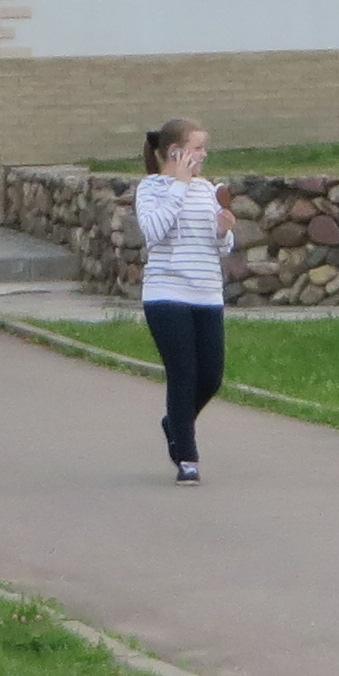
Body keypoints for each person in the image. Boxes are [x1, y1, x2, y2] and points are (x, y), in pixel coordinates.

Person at [131, 117, 233, 486]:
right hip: (167, 293)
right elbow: (154, 232)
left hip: (207, 293)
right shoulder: (151, 188)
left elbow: (220, 246)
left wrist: (223, 230)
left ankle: (174, 423)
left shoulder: (208, 190)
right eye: (197, 148)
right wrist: (179, 186)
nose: (204, 155)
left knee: (211, 376)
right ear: (176, 152)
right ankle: (187, 458)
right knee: (183, 374)